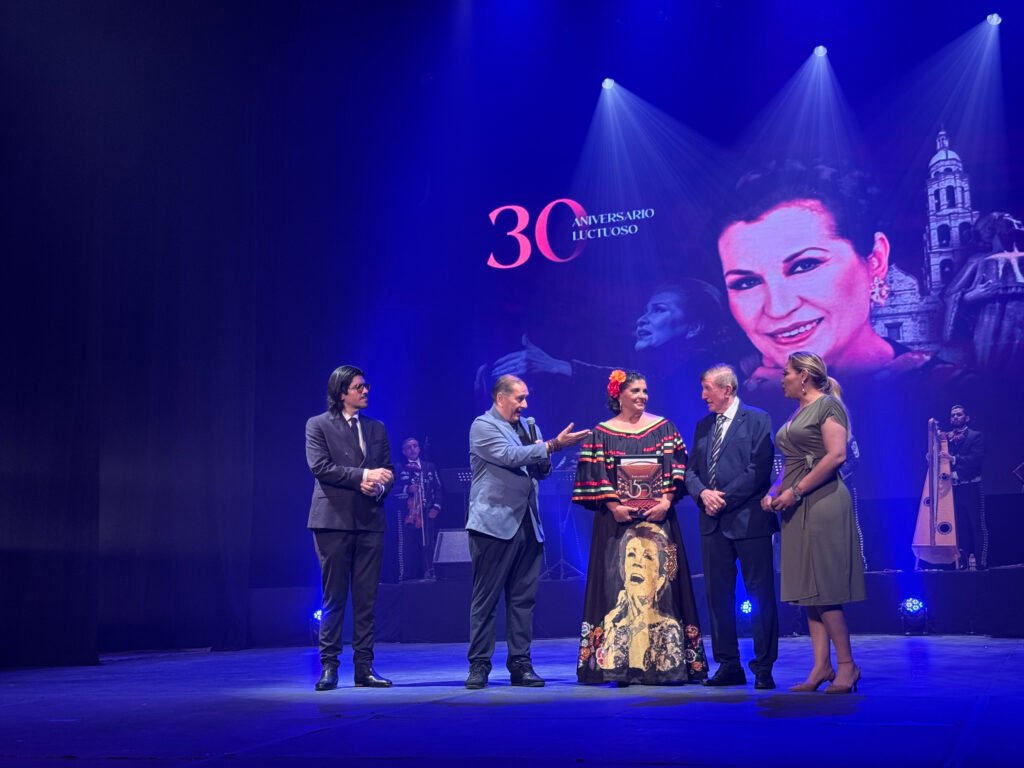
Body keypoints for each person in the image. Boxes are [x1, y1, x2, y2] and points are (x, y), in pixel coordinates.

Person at [717, 161, 951, 387]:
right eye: (747, 282)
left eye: (804, 266)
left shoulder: (950, 392)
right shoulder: (720, 405)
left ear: (877, 260)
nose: (778, 308)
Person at [572, 370, 708, 685]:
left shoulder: (663, 428)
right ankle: (618, 663)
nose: (642, 396)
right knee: (616, 583)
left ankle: (665, 662)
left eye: (645, 390)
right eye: (635, 390)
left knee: (663, 584)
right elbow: (594, 474)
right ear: (618, 395)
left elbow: (677, 468)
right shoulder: (600, 433)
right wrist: (613, 506)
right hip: (617, 524)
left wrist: (666, 501)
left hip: (659, 520)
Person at [465, 375, 588, 689]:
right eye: (519, 398)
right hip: (493, 525)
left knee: (522, 600)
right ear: (500, 397)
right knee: (486, 599)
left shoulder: (529, 426)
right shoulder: (483, 426)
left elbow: (540, 469)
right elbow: (508, 456)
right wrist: (552, 446)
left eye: (525, 398)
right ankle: (479, 666)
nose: (524, 404)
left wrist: (546, 455)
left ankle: (521, 665)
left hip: (528, 525)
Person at [762, 351, 865, 694]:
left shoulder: (828, 407)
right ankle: (821, 666)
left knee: (825, 587)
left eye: (786, 373)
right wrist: (774, 491)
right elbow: (792, 461)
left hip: (822, 503)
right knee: (808, 590)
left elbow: (836, 456)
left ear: (804, 375)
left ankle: (847, 667)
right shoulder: (799, 412)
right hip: (796, 505)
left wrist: (796, 491)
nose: (782, 379)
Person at [685, 364, 778, 689]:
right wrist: (702, 494)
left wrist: (723, 497)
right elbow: (689, 471)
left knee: (760, 594)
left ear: (727, 389)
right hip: (712, 525)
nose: (703, 395)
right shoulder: (703, 425)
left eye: (708, 388)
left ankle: (763, 668)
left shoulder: (757, 419)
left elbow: (758, 469)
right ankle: (728, 665)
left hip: (749, 521)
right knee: (717, 597)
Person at [306, 365, 395, 691]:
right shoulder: (318, 425)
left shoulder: (377, 428)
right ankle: (329, 666)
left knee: (367, 598)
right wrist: (363, 477)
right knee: (334, 597)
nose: (366, 391)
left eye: (366, 386)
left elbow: (388, 470)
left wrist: (380, 485)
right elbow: (321, 467)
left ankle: (364, 667)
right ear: (342, 392)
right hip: (333, 522)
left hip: (370, 521)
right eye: (359, 387)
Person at [394, 437, 443, 581]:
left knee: (428, 543)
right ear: (404, 452)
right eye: (408, 447)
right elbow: (391, 490)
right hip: (406, 514)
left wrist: (436, 507)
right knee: (407, 545)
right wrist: (407, 488)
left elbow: (439, 488)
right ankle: (406, 576)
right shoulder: (398, 467)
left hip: (426, 511)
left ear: (419, 449)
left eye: (415, 446)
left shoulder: (429, 466)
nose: (412, 449)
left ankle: (430, 572)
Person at [944, 405, 987, 569]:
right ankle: (961, 561)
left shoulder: (976, 436)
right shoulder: (946, 438)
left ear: (966, 418)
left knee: (977, 525)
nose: (955, 417)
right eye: (953, 415)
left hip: (972, 486)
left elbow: (975, 459)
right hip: (954, 488)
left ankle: (981, 561)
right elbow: (942, 459)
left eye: (959, 414)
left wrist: (953, 459)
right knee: (960, 526)